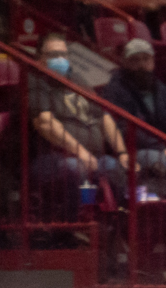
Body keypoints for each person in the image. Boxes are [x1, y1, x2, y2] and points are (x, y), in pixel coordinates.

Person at [28, 34, 127, 214]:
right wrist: (81, 152)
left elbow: (103, 116)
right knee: (76, 168)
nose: (60, 59)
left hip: (91, 156)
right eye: (53, 55)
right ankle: (80, 219)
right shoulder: (35, 81)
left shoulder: (77, 80)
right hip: (50, 158)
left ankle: (115, 220)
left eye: (63, 54)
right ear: (39, 58)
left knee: (114, 166)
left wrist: (122, 152)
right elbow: (45, 124)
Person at [96, 38, 166, 199]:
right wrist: (164, 150)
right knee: (158, 160)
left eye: (145, 59)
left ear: (153, 62)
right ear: (125, 63)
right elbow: (126, 128)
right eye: (135, 60)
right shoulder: (115, 90)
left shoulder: (165, 92)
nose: (141, 65)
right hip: (133, 151)